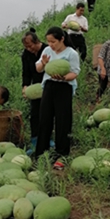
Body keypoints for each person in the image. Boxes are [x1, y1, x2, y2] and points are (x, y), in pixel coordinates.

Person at [35, 26, 80, 168]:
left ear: (62, 39)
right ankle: (42, 154)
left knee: (63, 122)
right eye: (48, 41)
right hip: (49, 86)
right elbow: (38, 68)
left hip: (64, 88)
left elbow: (74, 73)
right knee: (44, 119)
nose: (50, 45)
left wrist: (63, 78)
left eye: (53, 41)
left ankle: (62, 155)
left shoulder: (71, 53)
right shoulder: (47, 51)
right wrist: (43, 63)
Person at [21, 28, 46, 154]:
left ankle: (47, 139)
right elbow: (26, 73)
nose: (29, 49)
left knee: (47, 113)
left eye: (30, 46)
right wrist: (25, 86)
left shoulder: (46, 50)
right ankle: (35, 139)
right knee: (34, 113)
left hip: (48, 86)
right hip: (35, 88)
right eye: (26, 47)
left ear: (37, 41)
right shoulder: (26, 55)